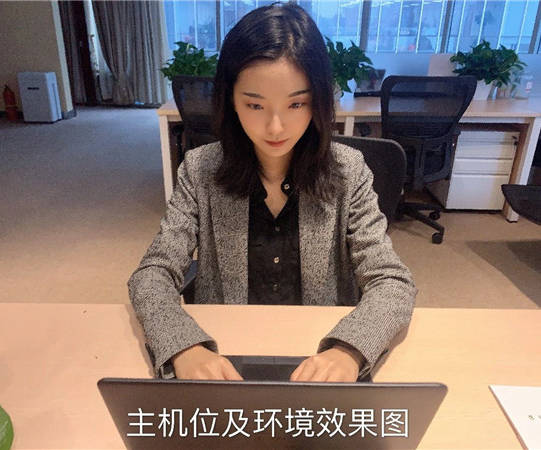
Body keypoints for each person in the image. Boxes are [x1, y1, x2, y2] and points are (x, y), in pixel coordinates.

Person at [129, 3, 416, 383]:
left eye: (296, 103)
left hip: (319, 355)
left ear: (317, 101)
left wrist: (350, 350)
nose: (276, 126)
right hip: (227, 357)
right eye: (255, 104)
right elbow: (151, 274)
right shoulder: (200, 170)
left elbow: (392, 281)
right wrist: (183, 346)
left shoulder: (349, 171)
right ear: (230, 100)